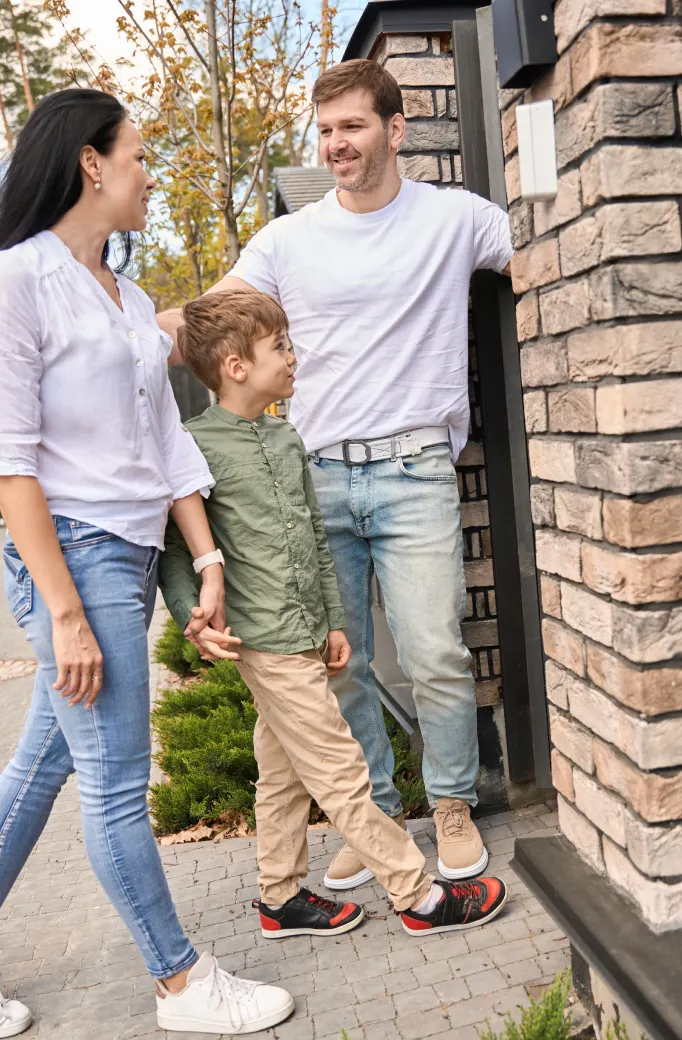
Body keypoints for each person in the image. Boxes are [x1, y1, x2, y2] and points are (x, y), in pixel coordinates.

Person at [0, 88, 294, 1039]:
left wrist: (206, 562)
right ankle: (183, 983)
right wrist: (64, 610)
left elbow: (163, 444)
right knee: (117, 783)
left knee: (41, 766)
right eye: (140, 156)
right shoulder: (13, 283)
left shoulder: (121, 299)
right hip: (73, 561)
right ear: (90, 163)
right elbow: (9, 463)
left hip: (125, 558)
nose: (150, 173)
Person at [160, 59, 515, 889]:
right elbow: (208, 321)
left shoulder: (456, 219)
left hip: (416, 466)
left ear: (395, 130)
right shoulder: (289, 239)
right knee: (338, 662)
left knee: (433, 650)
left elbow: (538, 261)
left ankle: (453, 803)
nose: (336, 145)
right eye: (324, 131)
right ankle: (377, 816)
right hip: (314, 477)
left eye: (352, 127)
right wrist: (125, 327)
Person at [157, 291, 510, 941]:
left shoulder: (287, 439)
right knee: (342, 770)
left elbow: (315, 542)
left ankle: (279, 898)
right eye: (280, 346)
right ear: (236, 365)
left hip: (302, 633)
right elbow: (177, 548)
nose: (294, 356)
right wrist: (191, 616)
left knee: (284, 772)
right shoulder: (193, 446)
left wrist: (334, 622)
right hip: (260, 638)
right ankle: (417, 894)